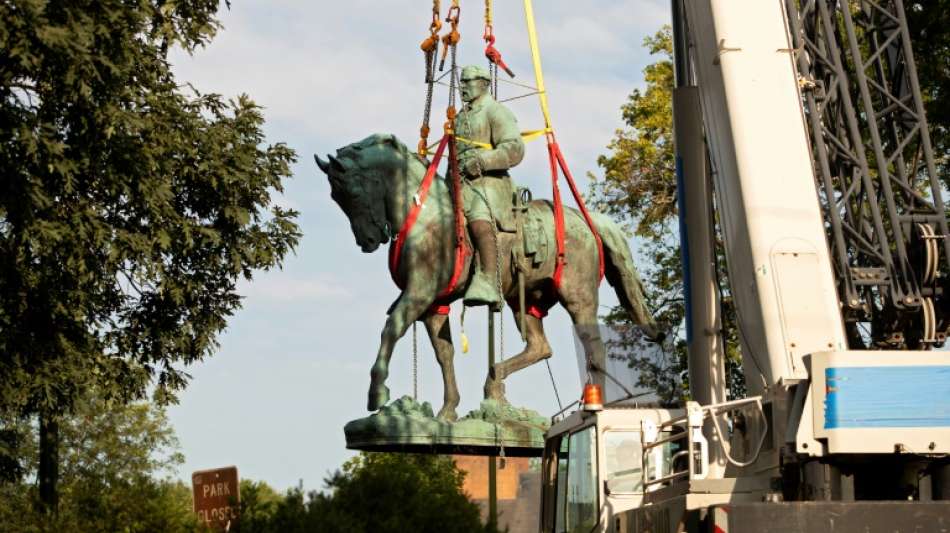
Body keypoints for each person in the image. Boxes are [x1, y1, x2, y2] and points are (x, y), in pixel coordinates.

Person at [454, 65, 525, 308]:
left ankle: (489, 279)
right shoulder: (461, 116)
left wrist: (483, 161)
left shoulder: (496, 112)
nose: (462, 87)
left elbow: (514, 148)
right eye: (461, 82)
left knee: (478, 216)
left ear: (484, 83)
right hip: (461, 183)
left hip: (491, 183)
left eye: (468, 82)